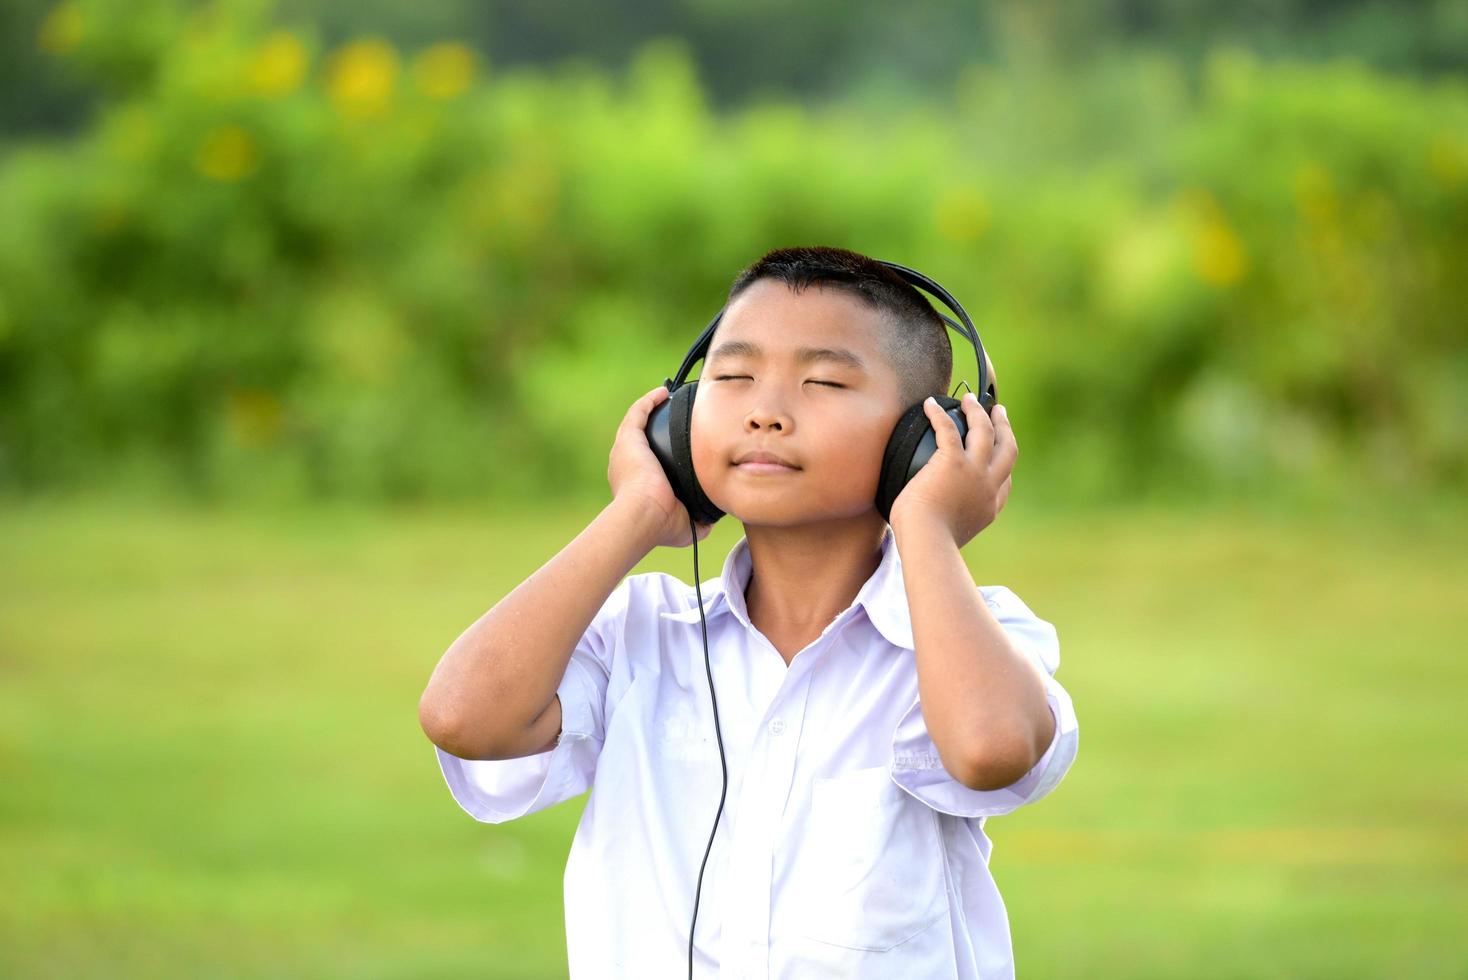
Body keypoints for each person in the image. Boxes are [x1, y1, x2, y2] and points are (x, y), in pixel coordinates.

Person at [418, 245, 1080, 979]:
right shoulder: (639, 635)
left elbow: (989, 749)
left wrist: (926, 523)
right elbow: (461, 716)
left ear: (921, 442)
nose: (765, 412)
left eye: (823, 381)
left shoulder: (973, 639)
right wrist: (638, 511)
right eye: (732, 376)